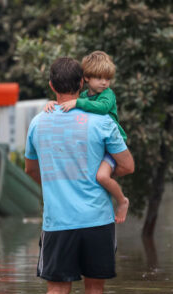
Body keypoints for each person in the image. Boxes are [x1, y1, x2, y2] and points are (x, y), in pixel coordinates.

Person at [25, 57, 134, 294]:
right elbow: (127, 166)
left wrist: (55, 186)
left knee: (56, 291)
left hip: (58, 221)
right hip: (97, 219)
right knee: (94, 290)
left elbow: (30, 170)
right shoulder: (102, 121)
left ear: (52, 85)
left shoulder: (38, 123)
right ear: (82, 82)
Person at [44, 51, 130, 223]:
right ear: (87, 78)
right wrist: (53, 103)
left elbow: (102, 108)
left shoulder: (107, 95)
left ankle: (122, 200)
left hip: (110, 147)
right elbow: (68, 104)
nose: (105, 82)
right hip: (95, 146)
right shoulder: (83, 96)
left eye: (108, 78)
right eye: (99, 78)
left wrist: (77, 103)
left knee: (102, 177)